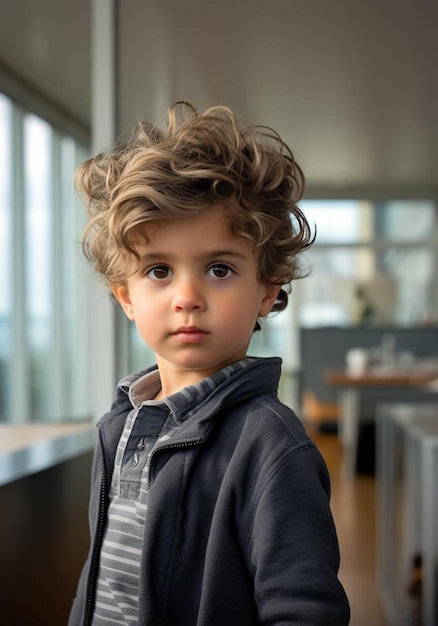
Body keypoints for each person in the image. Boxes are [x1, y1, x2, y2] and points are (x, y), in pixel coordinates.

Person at [68, 102, 350, 626]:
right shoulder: (121, 425)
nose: (188, 296)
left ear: (267, 290)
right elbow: (103, 578)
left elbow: (305, 609)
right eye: (158, 271)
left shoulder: (272, 446)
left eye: (219, 268)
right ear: (124, 296)